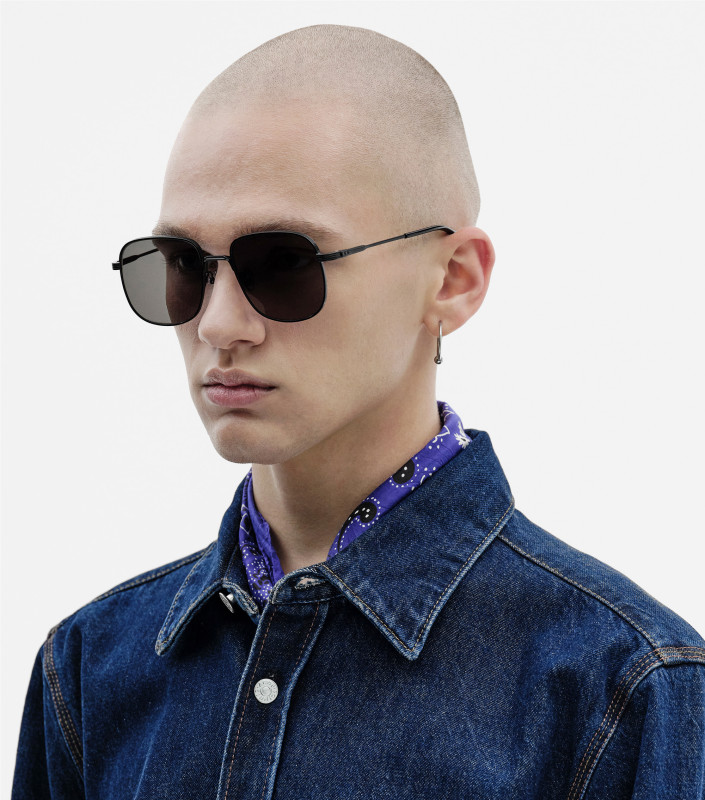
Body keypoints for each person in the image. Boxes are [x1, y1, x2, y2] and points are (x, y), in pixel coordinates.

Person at [11, 23, 705, 799]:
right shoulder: (89, 668)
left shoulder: (621, 687)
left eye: (283, 263)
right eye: (181, 266)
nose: (219, 324)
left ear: (453, 279)